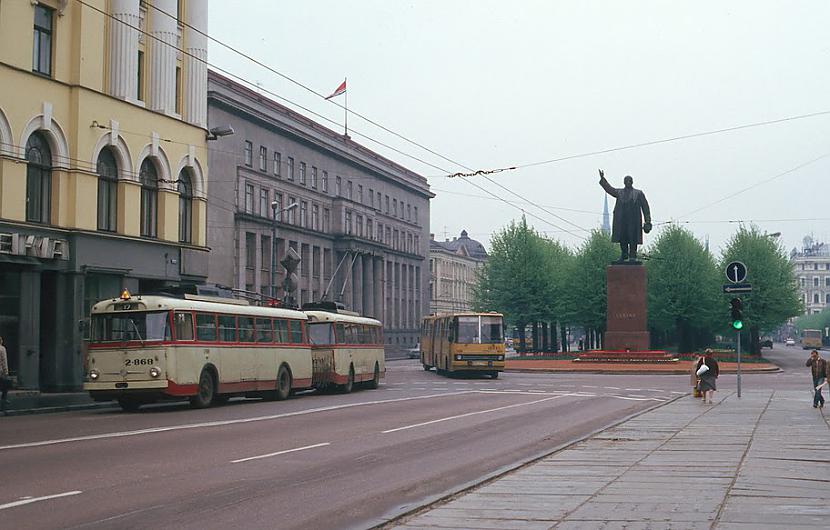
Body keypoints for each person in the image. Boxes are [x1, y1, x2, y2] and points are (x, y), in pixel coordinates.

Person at [598, 169, 652, 263]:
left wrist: (648, 221)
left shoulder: (638, 193)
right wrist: (603, 179)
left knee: (633, 238)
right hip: (622, 220)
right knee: (622, 238)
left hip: (633, 221)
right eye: (626, 181)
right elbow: (609, 189)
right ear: (624, 182)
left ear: (632, 182)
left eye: (629, 181)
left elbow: (645, 208)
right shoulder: (619, 192)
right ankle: (624, 255)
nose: (628, 182)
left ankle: (632, 256)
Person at [0, 336, 9, 414]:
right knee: (5, 386)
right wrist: (6, 372)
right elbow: (4, 360)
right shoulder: (2, 349)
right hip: (0, 371)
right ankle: (3, 400)